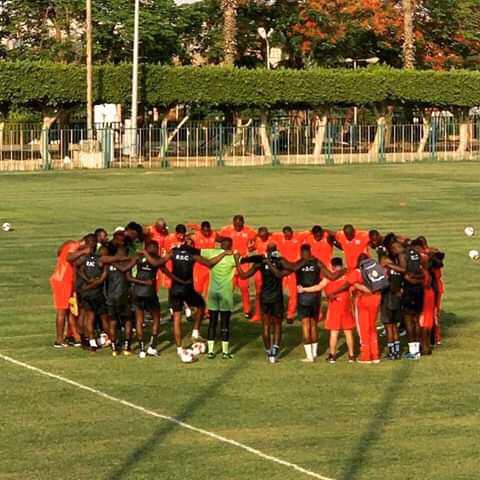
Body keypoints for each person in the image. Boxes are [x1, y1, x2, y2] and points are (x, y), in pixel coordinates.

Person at [144, 226, 230, 360]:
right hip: (187, 288)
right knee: (201, 305)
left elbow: (157, 262)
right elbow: (209, 263)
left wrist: (145, 253)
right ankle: (195, 332)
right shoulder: (192, 254)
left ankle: (179, 348)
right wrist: (224, 253)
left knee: (177, 319)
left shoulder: (173, 252)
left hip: (175, 289)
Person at [236, 244, 290, 363]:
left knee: (265, 325)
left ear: (266, 252)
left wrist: (237, 261)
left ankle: (268, 352)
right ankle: (275, 351)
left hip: (264, 297)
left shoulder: (260, 263)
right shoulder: (280, 261)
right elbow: (289, 269)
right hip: (277, 298)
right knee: (277, 325)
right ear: (276, 251)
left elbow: (243, 276)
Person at [298, 256, 354, 363]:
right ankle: (351, 356)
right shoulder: (347, 274)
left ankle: (332, 356)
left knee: (334, 332)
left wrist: (304, 289)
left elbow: (318, 287)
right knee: (348, 332)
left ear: (332, 266)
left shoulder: (329, 277)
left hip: (334, 307)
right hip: (346, 307)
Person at [327, 253, 382, 364]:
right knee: (372, 327)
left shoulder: (357, 272)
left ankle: (366, 356)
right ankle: (375, 355)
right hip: (376, 299)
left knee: (363, 328)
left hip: (364, 300)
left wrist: (334, 292)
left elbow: (348, 284)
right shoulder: (376, 269)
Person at [127, 241, 164, 358]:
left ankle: (142, 348)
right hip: (149, 293)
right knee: (156, 317)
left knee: (139, 319)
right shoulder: (157, 259)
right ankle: (152, 347)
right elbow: (161, 268)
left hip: (137, 292)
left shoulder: (138, 258)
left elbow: (127, 273)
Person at [201, 238, 237, 359]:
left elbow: (197, 251)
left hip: (213, 293)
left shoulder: (211, 252)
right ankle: (225, 352)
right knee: (225, 323)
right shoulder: (232, 257)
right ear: (230, 246)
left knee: (212, 322)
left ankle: (211, 351)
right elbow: (243, 261)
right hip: (226, 294)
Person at [50, 237, 88, 347]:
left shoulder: (69, 244)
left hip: (67, 281)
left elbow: (59, 252)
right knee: (62, 310)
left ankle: (74, 337)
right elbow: (69, 257)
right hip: (62, 280)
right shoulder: (74, 246)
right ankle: (59, 340)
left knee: (71, 311)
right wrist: (84, 251)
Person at [218, 215, 257, 320]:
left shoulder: (249, 231)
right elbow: (218, 238)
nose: (238, 227)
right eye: (236, 225)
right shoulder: (226, 230)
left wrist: (253, 247)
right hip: (230, 263)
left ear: (243, 223)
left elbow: (258, 240)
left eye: (239, 225)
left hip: (243, 263)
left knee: (244, 288)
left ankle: (247, 310)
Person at [105, 246, 137, 356]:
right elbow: (129, 278)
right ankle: (127, 347)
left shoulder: (108, 264)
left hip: (111, 297)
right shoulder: (126, 264)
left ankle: (114, 348)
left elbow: (105, 280)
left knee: (113, 321)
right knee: (127, 320)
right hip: (123, 297)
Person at [274, 226, 305, 323]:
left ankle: (290, 314)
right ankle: (278, 312)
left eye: (290, 234)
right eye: (286, 235)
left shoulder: (298, 237)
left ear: (292, 232)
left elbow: (310, 233)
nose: (288, 236)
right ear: (283, 234)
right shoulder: (278, 238)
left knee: (293, 293)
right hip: (282, 269)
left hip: (293, 270)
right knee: (277, 291)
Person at [378, 246, 402, 360]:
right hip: (397, 300)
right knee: (395, 327)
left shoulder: (384, 270)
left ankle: (392, 353)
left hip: (387, 300)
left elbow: (383, 285)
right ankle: (397, 352)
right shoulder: (397, 268)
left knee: (389, 327)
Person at [190, 221, 217, 299]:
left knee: (208, 289)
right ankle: (196, 306)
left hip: (210, 266)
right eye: (205, 231)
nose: (207, 233)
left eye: (208, 231)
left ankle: (206, 310)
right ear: (201, 230)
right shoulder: (195, 236)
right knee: (197, 289)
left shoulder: (214, 234)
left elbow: (222, 239)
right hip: (199, 266)